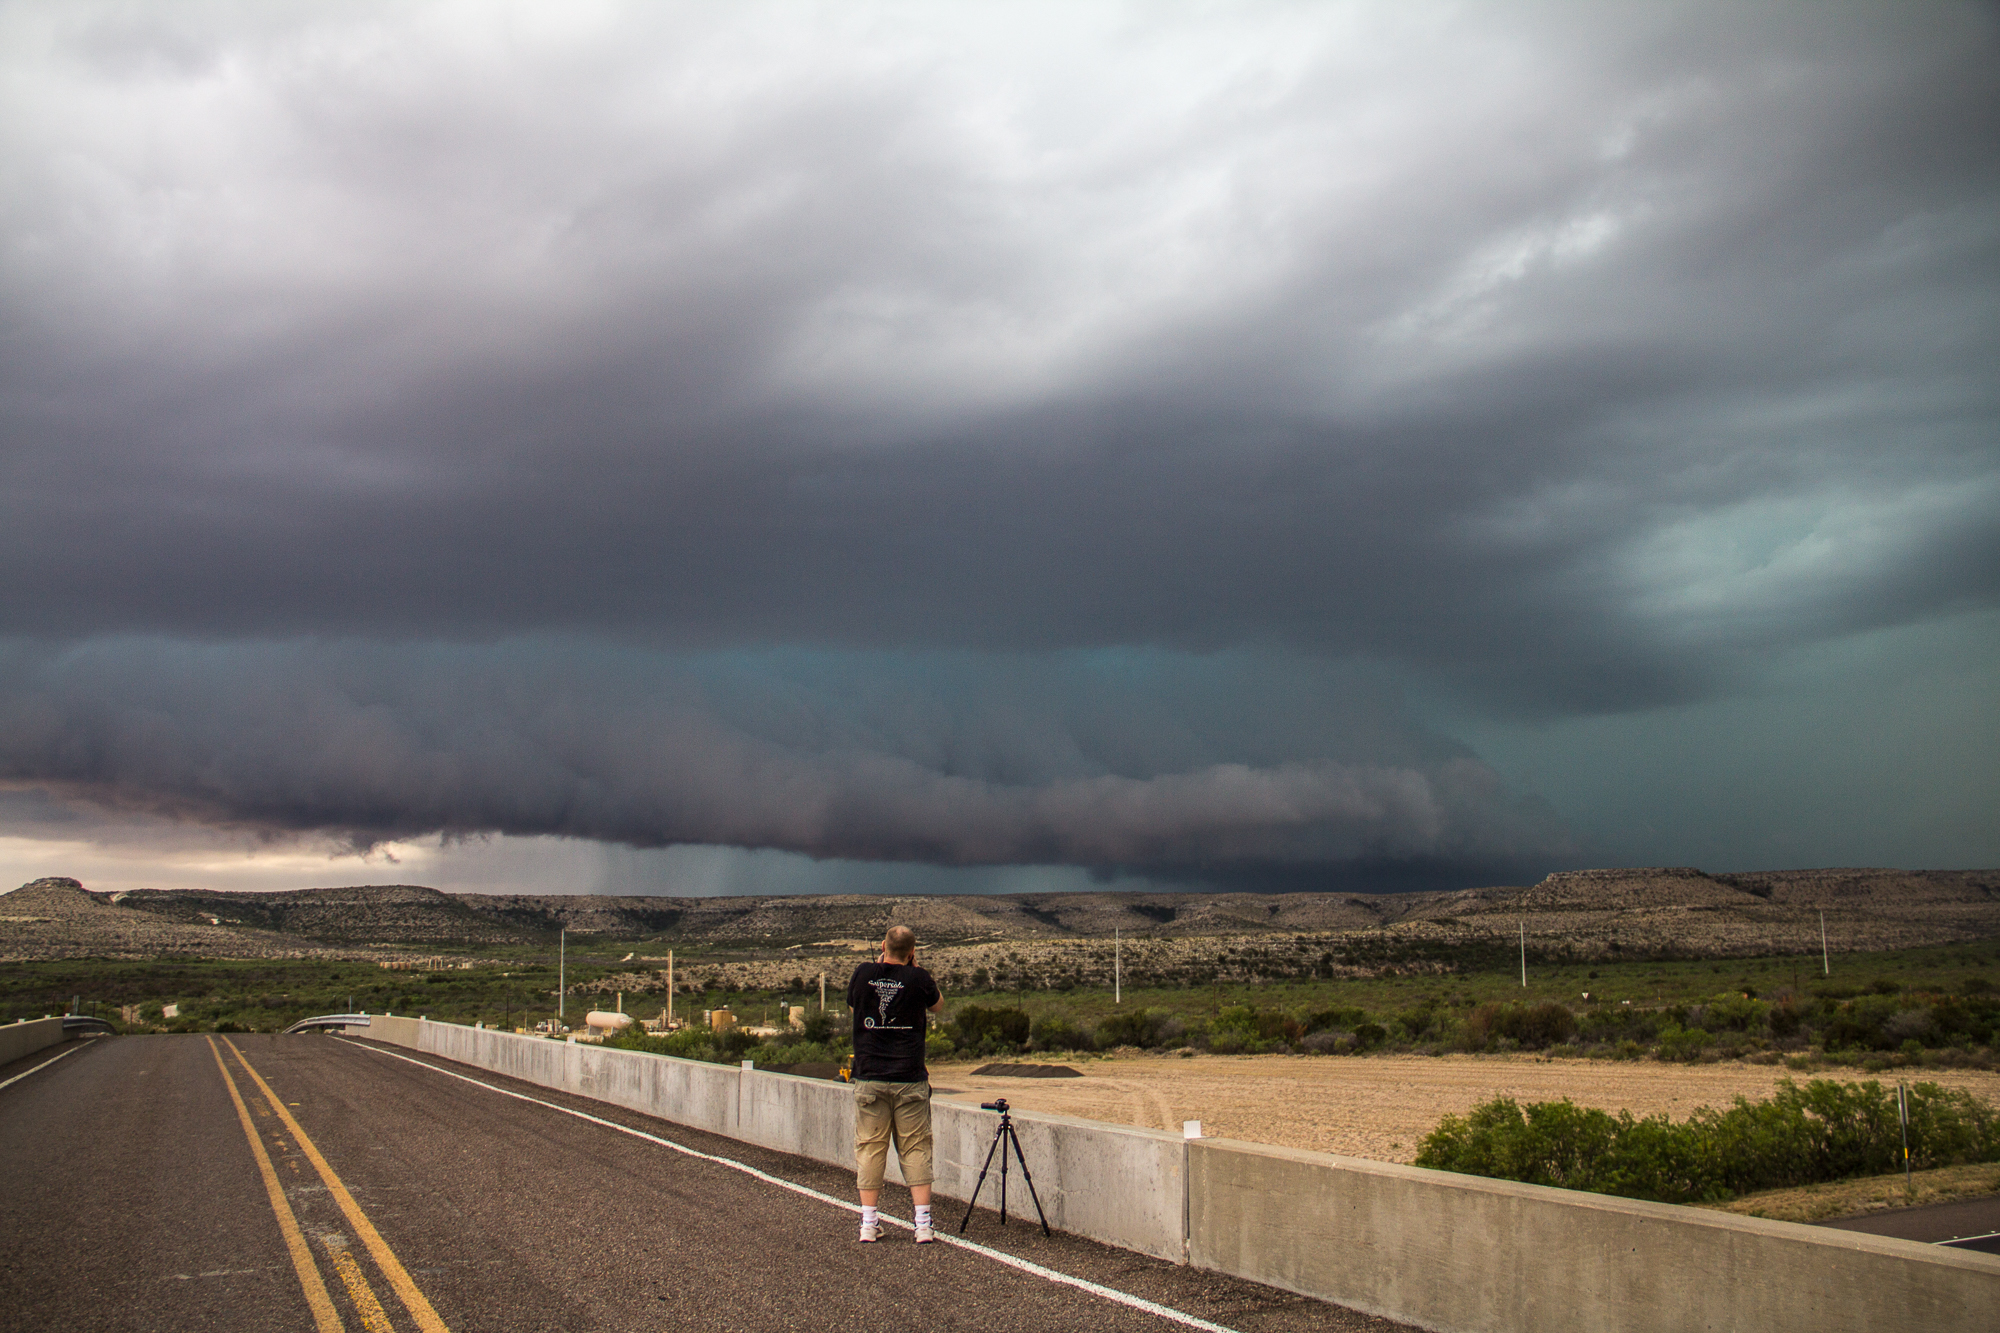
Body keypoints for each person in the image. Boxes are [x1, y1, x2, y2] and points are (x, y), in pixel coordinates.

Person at [847, 924, 944, 1243]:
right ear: (912, 952)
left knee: (870, 1148)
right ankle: (923, 1223)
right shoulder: (920, 978)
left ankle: (868, 1222)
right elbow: (938, 1005)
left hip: (870, 1077)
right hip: (909, 1079)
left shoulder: (863, 973)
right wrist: (913, 969)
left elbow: (854, 1006)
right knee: (916, 1148)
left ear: (883, 946)